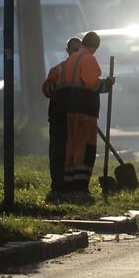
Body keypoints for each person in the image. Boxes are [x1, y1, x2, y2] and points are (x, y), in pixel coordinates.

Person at [57, 31, 115, 192]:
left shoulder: (72, 59)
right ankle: (81, 185)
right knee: (85, 147)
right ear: (95, 47)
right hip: (85, 110)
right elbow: (93, 85)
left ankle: (69, 181)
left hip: (71, 109)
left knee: (72, 145)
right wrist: (108, 84)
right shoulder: (89, 59)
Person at [41, 36, 83, 193]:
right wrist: (58, 87)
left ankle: (73, 184)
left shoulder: (83, 71)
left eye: (79, 50)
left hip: (77, 118)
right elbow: (46, 90)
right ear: (67, 51)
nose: (76, 53)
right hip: (59, 117)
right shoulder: (58, 70)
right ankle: (58, 184)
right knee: (58, 151)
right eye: (74, 50)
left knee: (75, 152)